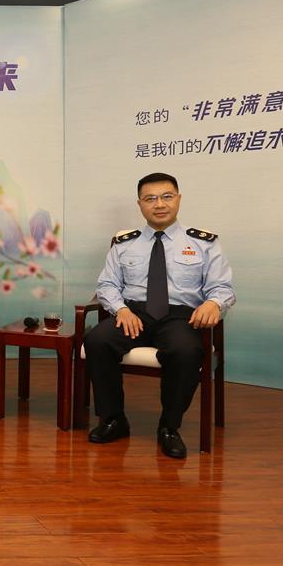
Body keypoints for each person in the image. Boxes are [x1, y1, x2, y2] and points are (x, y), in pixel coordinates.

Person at [83, 172, 235, 459]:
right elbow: (107, 285)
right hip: (135, 314)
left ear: (178, 199)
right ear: (140, 204)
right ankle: (113, 419)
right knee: (97, 340)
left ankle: (169, 427)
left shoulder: (204, 243)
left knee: (186, 350)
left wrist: (214, 304)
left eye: (166, 197)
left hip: (181, 317)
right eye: (150, 198)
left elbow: (222, 287)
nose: (159, 204)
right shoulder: (124, 243)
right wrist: (121, 309)